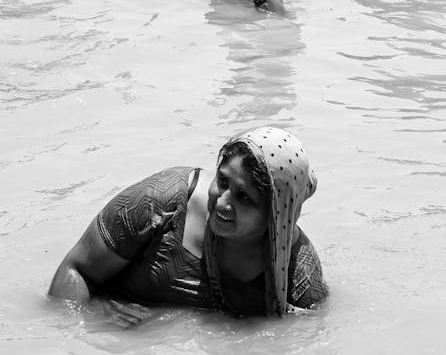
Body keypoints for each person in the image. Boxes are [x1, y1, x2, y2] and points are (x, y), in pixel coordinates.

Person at [49, 127, 328, 320]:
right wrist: (93, 315)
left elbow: (298, 337)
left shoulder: (296, 275)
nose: (221, 203)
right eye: (222, 181)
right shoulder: (159, 202)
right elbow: (76, 270)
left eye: (243, 197)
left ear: (276, 214)